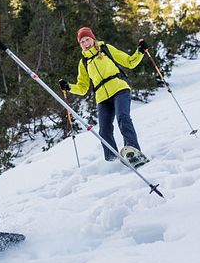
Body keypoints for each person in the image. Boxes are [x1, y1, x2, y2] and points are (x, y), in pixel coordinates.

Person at [59, 27, 148, 162]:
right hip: (102, 98)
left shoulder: (106, 49)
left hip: (119, 89)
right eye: (82, 42)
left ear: (93, 39)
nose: (85, 43)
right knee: (104, 130)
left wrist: (140, 51)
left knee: (123, 118)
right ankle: (113, 160)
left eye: (87, 39)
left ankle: (133, 151)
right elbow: (83, 88)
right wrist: (69, 87)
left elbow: (129, 62)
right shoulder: (83, 62)